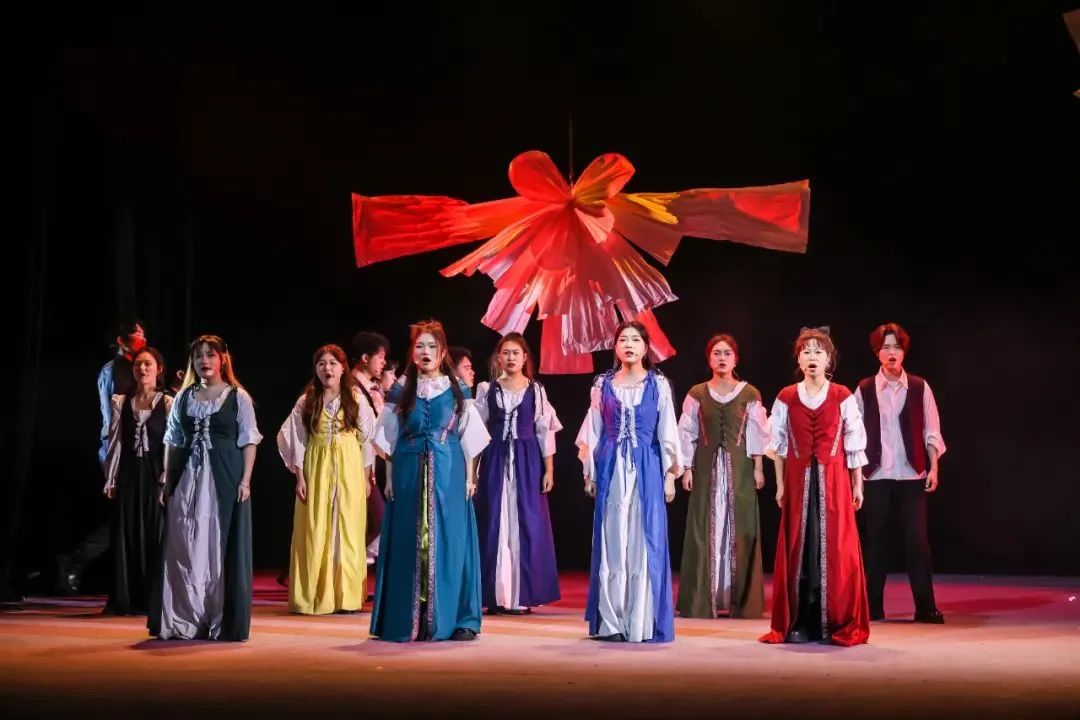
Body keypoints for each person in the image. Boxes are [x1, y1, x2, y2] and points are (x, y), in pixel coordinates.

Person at [855, 323, 947, 624]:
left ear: (904, 351)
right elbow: (853, 436)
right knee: (876, 543)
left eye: (896, 347)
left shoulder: (919, 386)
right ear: (877, 353)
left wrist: (933, 467)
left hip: (912, 474)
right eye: (885, 347)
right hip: (876, 475)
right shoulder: (865, 388)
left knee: (917, 542)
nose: (891, 352)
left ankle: (926, 607)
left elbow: (931, 430)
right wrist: (855, 478)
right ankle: (872, 607)